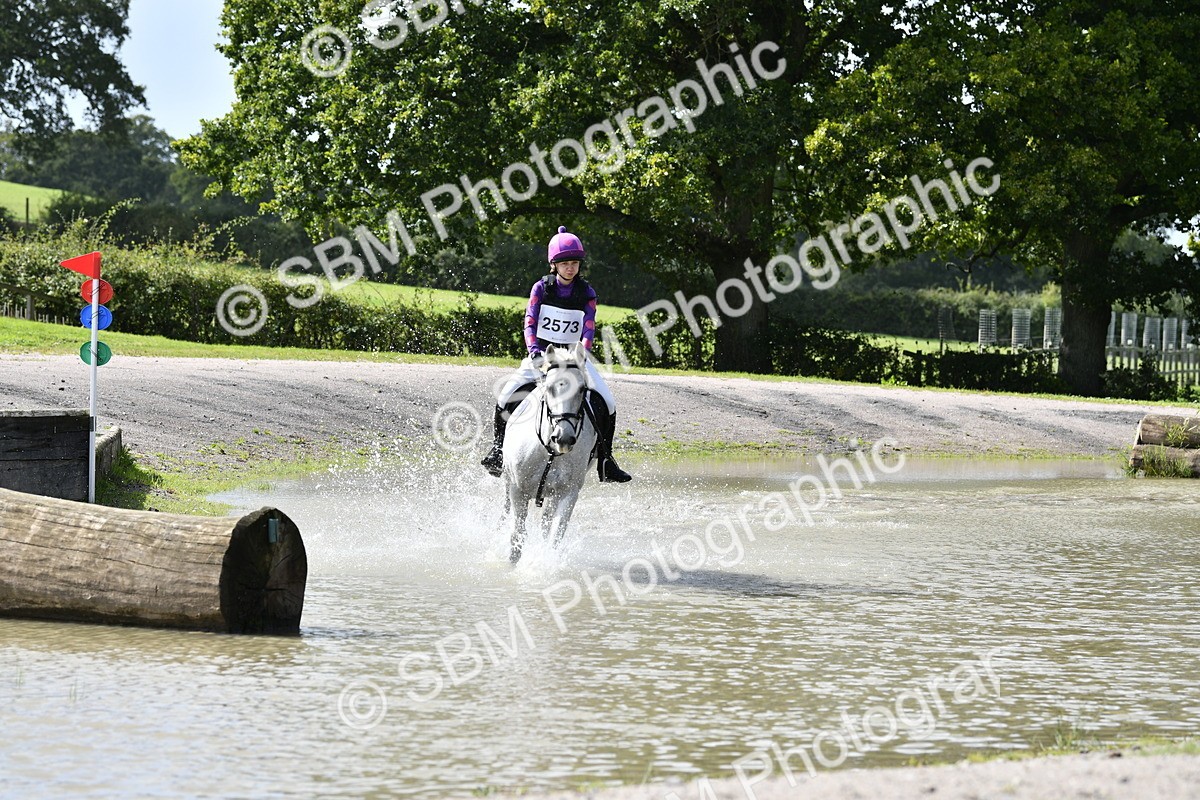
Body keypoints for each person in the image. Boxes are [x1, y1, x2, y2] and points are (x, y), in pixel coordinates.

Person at [481, 226, 632, 483]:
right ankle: (497, 449)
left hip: (574, 358)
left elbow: (589, 326)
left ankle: (606, 461)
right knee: (506, 396)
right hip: (542, 355)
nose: (570, 268)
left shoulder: (587, 292)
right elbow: (530, 321)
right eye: (565, 264)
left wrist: (582, 352)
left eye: (574, 263)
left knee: (607, 402)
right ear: (554, 264)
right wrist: (535, 352)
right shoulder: (541, 288)